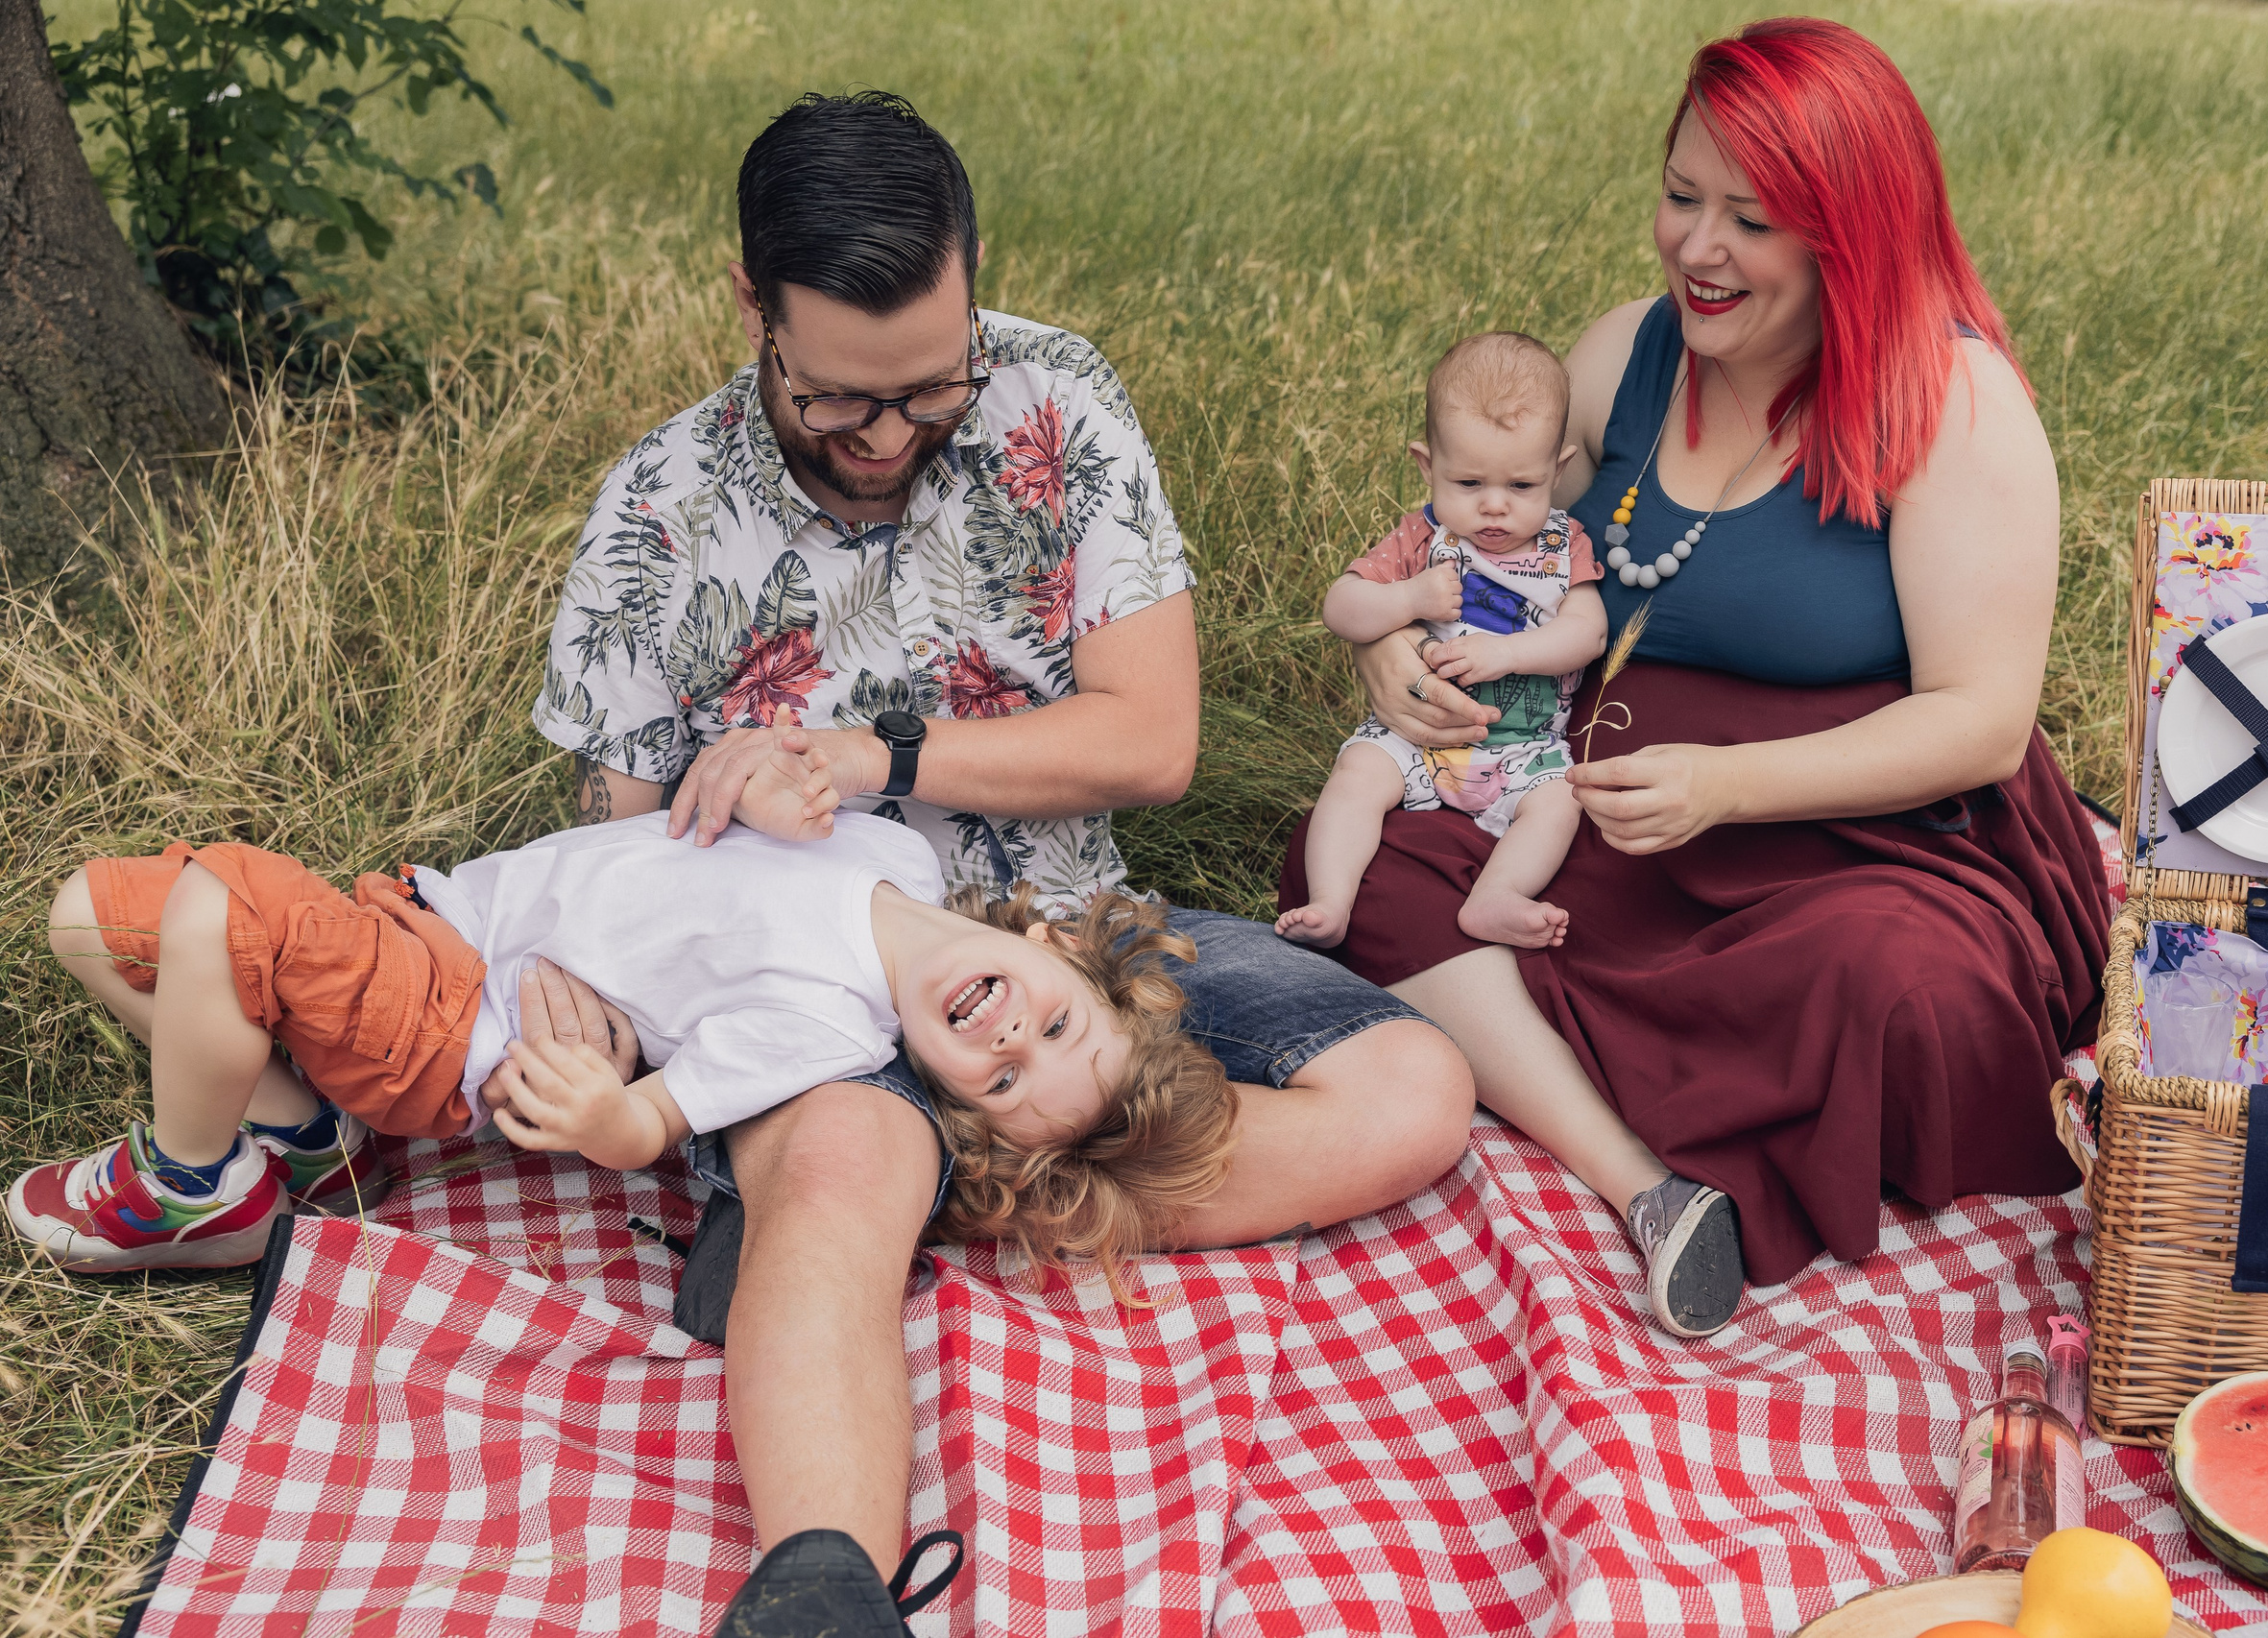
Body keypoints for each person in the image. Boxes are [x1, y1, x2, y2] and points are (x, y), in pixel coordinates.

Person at [534, 91, 1473, 1635]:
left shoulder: (1059, 405)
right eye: (845, 402)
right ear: (751, 305)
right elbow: (616, 832)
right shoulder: (660, 505)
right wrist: (598, 1009)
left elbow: (1153, 736)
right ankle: (827, 1574)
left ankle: (868, 1231)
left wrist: (871, 757)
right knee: (841, 1154)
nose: (894, 437)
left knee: (1414, 1095)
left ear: (974, 280)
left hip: (1067, 934)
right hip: (813, 996)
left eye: (931, 389)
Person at [1284, 16, 2109, 1342]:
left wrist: (1732, 782)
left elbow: (1984, 722)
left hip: (1862, 834)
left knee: (1904, 992)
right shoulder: (1630, 356)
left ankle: (1603, 1093)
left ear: (1854, 230)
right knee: (1363, 864)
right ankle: (1647, 1184)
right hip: (1613, 810)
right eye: (1681, 197)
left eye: (1752, 220)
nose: (1697, 249)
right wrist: (1388, 643)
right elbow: (1466, 522)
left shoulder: (1947, 401)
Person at [13, 802, 1238, 1304]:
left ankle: (188, 1183)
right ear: (1059, 944)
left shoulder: (826, 1024)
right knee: (88, 920)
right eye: (1058, 1023)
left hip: (457, 1017)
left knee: (223, 905)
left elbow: (655, 1122)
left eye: (1007, 1082)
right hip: (427, 912)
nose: (1014, 1039)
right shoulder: (903, 855)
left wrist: (604, 1104)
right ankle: (296, 1135)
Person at [1275, 332, 1607, 953]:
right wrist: (1406, 600)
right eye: (1469, 481)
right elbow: (1339, 607)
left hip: (1523, 750)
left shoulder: (1566, 546)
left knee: (1561, 802)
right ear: (1428, 466)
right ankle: (1331, 898)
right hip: (1413, 738)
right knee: (1356, 777)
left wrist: (1508, 654)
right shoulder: (1422, 539)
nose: (1494, 507)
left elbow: (1587, 632)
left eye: (1522, 487)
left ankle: (1498, 895)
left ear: (1556, 473)